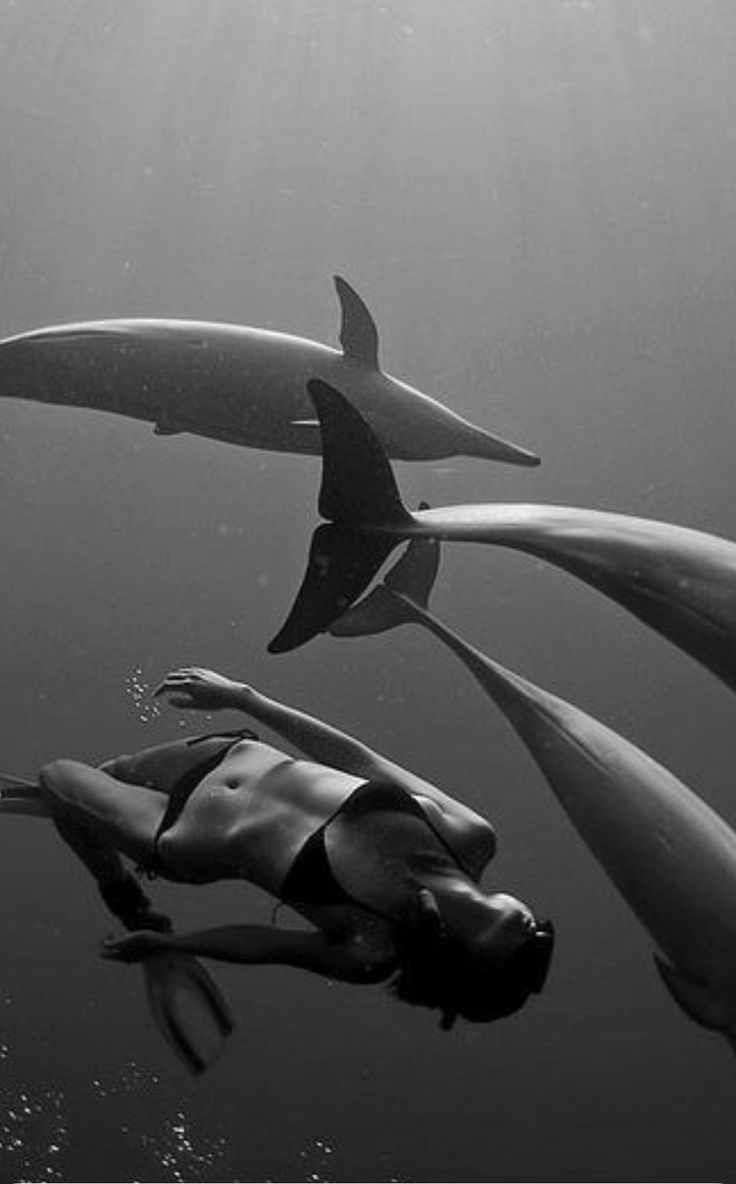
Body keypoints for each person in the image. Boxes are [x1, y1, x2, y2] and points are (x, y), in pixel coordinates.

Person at [2, 667, 553, 1033]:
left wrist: (168, 941)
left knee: (58, 779)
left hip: (178, 837)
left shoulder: (374, 947)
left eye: (524, 945)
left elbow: (266, 944)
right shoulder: (471, 835)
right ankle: (81, 822)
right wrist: (246, 698)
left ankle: (127, 898)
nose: (535, 928)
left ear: (475, 959)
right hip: (226, 755)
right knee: (102, 778)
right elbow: (360, 759)